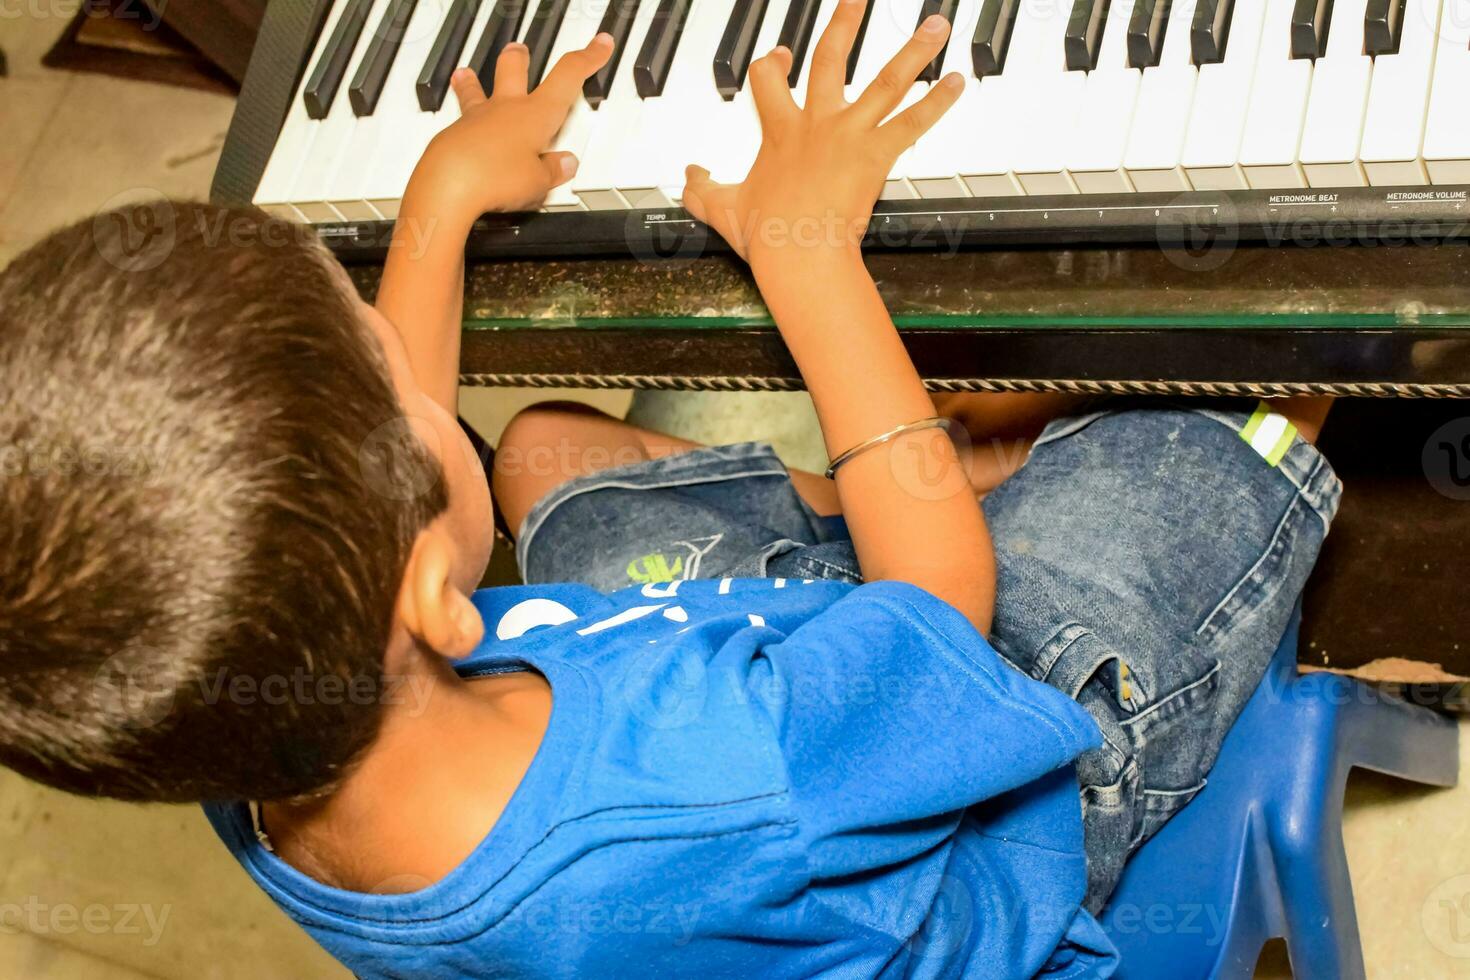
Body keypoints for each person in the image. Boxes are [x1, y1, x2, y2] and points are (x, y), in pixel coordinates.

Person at [0, 4, 1338, 976]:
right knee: (1185, 434)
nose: (419, 373)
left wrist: (441, 202)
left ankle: (953, 468)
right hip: (963, 806)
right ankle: (1044, 461)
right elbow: (941, 602)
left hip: (648, 709)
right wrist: (808, 254)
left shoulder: (245, 742)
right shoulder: (730, 778)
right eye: (399, 382)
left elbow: (407, 509)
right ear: (418, 589)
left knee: (538, 462)